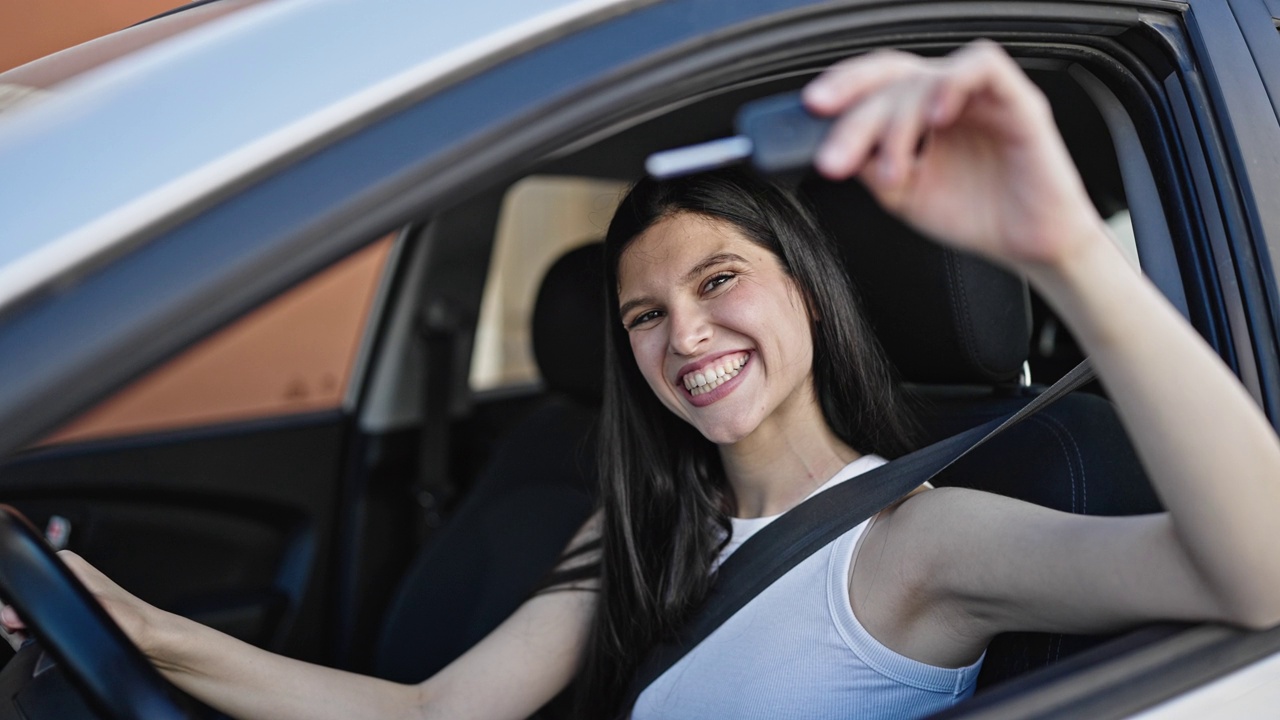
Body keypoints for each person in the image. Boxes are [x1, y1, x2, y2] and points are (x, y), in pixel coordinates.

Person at [5, 40, 1280, 720]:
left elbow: (1258, 571)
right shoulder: (641, 523)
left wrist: (1061, 251)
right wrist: (135, 625)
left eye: (719, 281)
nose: (683, 333)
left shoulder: (919, 544)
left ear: (806, 291)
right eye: (643, 314)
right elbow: (436, 717)